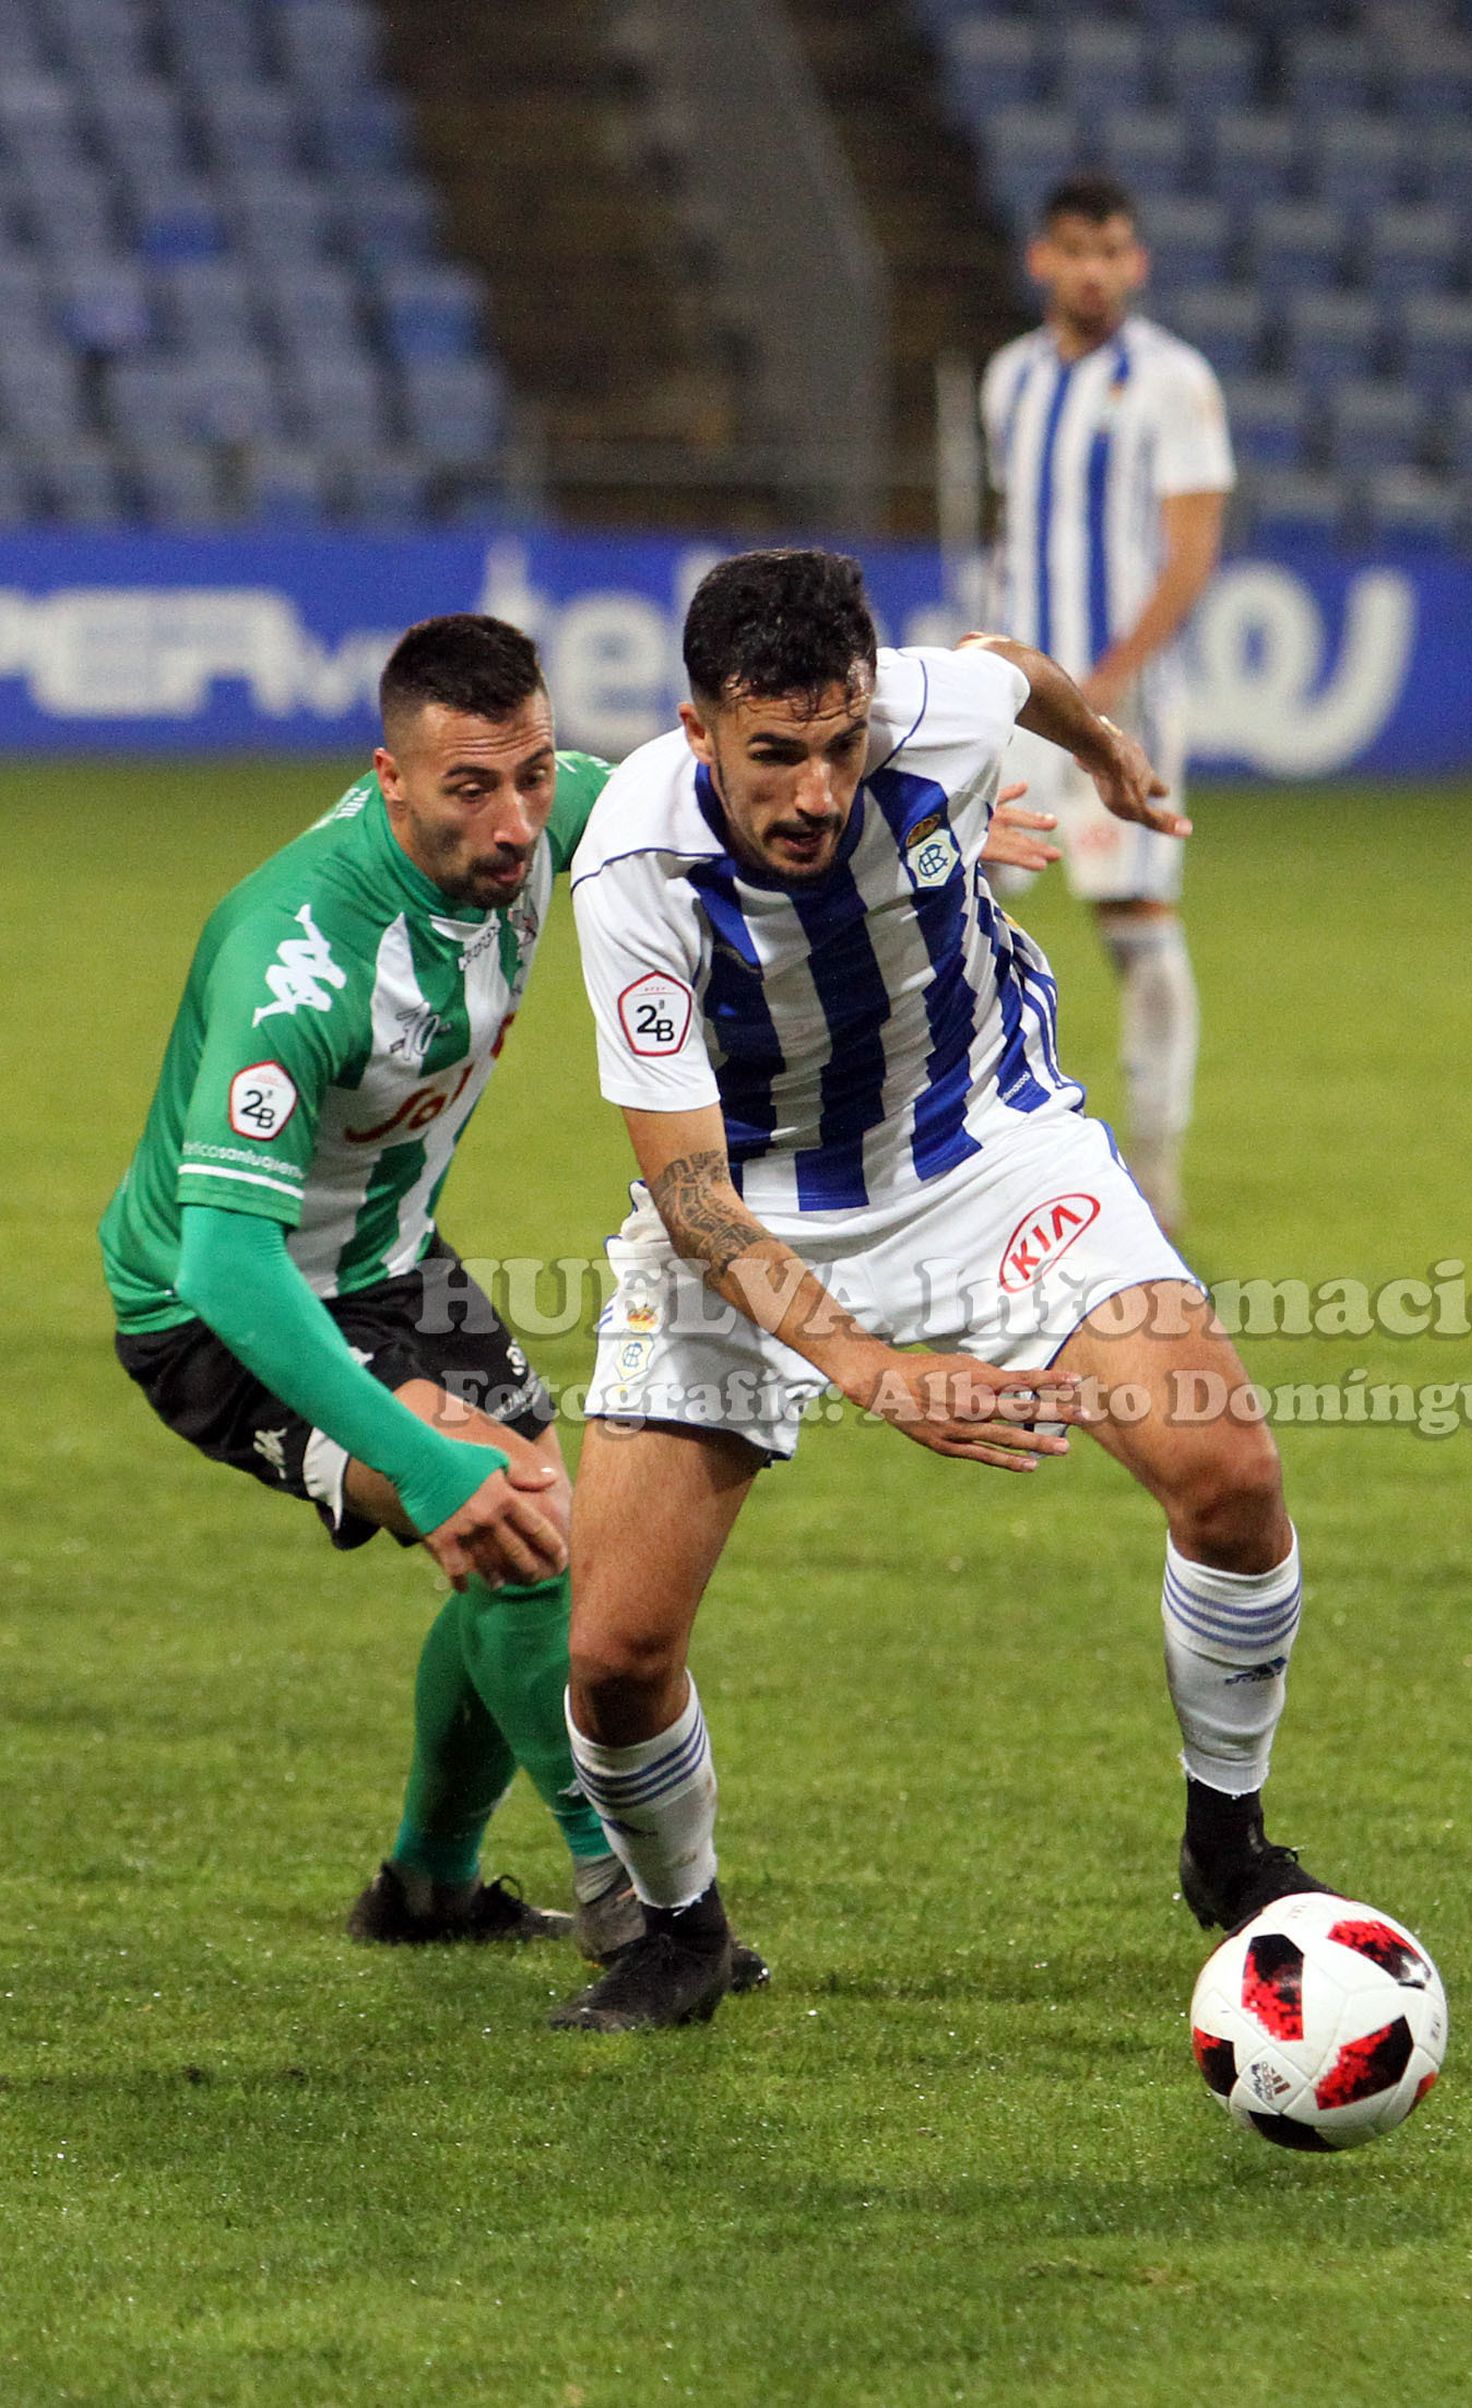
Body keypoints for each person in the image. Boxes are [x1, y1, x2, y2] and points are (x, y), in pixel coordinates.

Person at [98, 609, 1047, 1974]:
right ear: (391, 780)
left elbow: (714, 809)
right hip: (218, 1311)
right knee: (521, 1522)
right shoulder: (292, 960)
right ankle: (633, 1896)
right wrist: (418, 1465)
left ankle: (427, 1887)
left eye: (533, 775)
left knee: (524, 1549)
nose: (512, 822)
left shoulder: (565, 823)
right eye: (469, 789)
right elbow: (221, 1259)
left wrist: (911, 853)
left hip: (392, 1259)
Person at [549, 547, 1332, 2035]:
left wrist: (1101, 749)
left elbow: (1011, 665)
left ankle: (1228, 1847)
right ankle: (684, 1931)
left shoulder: (936, 712)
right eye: (772, 755)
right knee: (614, 1655)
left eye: (842, 746)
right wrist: (868, 1365)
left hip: (986, 1147)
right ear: (696, 725)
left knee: (1228, 1473)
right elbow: (691, 1192)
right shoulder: (634, 868)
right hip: (746, 1195)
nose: (816, 791)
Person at [981, 171, 1235, 1234]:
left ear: (1135, 263)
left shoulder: (1173, 380)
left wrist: (1109, 678)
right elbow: (1015, 534)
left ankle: (1158, 1174)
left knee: (1133, 921)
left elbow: (1189, 550)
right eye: (1076, 251)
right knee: (964, 902)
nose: (1095, 270)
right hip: (1015, 702)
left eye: (1115, 251)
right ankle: (973, 1148)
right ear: (1043, 259)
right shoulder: (1008, 379)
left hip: (1120, 701)